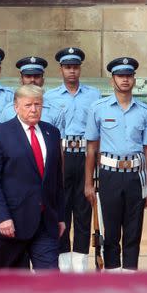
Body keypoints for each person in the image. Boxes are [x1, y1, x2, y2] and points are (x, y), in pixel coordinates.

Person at [0, 84, 66, 270]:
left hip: (45, 223)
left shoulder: (51, 133)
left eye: (38, 104)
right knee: (7, 286)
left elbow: (56, 180)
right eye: (28, 105)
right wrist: (2, 217)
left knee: (50, 280)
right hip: (11, 225)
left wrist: (60, 216)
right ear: (16, 107)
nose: (34, 109)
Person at [84, 57, 147, 272]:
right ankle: (113, 277)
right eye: (120, 75)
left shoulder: (145, 111)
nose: (125, 79)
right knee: (111, 231)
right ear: (112, 80)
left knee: (134, 231)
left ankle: (130, 276)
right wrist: (88, 183)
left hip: (135, 175)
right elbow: (91, 148)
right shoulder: (98, 108)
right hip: (110, 174)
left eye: (129, 75)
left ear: (134, 79)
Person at [43, 47, 101, 273]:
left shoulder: (94, 95)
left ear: (80, 69)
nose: (72, 72)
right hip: (62, 154)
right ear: (61, 70)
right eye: (67, 67)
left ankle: (80, 263)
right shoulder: (50, 97)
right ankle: (63, 261)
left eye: (75, 67)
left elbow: (98, 130)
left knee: (84, 209)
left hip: (86, 154)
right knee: (61, 208)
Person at [0, 56, 65, 134]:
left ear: (43, 81)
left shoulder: (55, 111)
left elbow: (58, 142)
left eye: (37, 76)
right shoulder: (8, 110)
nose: (32, 80)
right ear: (21, 80)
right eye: (28, 76)